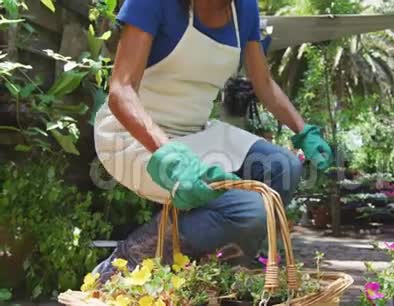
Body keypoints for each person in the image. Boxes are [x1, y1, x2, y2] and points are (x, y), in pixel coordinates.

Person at [92, 0, 333, 280]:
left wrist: (304, 131)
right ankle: (129, 260)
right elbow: (121, 90)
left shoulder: (244, 9)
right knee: (249, 211)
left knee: (284, 167)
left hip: (195, 133)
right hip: (132, 135)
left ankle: (222, 278)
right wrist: (171, 154)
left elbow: (263, 83)